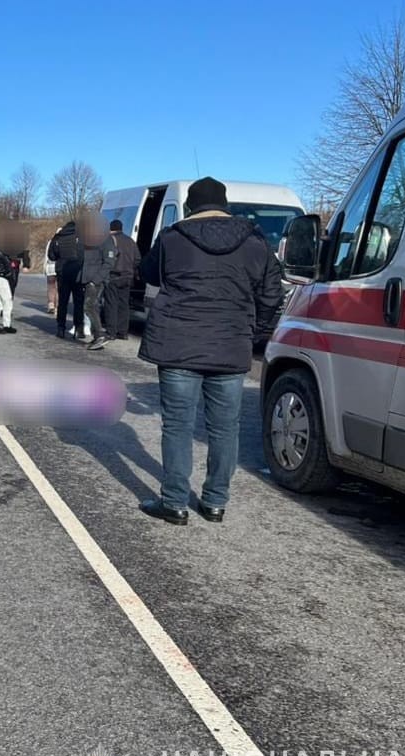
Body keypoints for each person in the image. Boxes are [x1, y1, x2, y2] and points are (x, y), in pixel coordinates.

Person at [137, 176, 284, 525]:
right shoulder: (255, 241)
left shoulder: (173, 237)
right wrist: (254, 332)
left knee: (177, 426)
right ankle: (216, 501)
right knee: (224, 428)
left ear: (190, 206)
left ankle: (173, 503)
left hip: (178, 345)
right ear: (225, 204)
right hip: (231, 346)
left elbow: (149, 274)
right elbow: (272, 294)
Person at [0, 220, 31, 334]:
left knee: (0, 301)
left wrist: (26, 264)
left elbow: (25, 252)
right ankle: (5, 325)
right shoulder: (0, 247)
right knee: (7, 300)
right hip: (3, 274)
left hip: (8, 272)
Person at [78, 212, 113, 350]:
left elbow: (109, 262)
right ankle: (96, 336)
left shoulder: (106, 239)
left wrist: (95, 280)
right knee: (91, 307)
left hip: (96, 280)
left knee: (89, 306)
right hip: (86, 279)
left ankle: (100, 335)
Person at [47, 218, 84, 339]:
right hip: (78, 272)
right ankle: (78, 328)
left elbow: (51, 256)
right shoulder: (81, 236)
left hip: (62, 272)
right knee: (78, 302)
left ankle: (61, 328)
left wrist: (60, 258)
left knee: (63, 301)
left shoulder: (58, 237)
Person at [104, 219, 140, 341]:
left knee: (111, 304)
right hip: (128, 277)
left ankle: (111, 332)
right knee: (124, 305)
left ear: (111, 228)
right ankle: (123, 332)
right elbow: (137, 259)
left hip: (113, 276)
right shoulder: (131, 241)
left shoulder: (109, 240)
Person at [44, 229, 59, 314]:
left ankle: (51, 304)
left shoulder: (50, 242)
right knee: (59, 288)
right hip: (59, 267)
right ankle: (57, 307)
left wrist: (44, 268)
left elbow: (46, 255)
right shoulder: (65, 242)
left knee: (51, 287)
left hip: (50, 267)